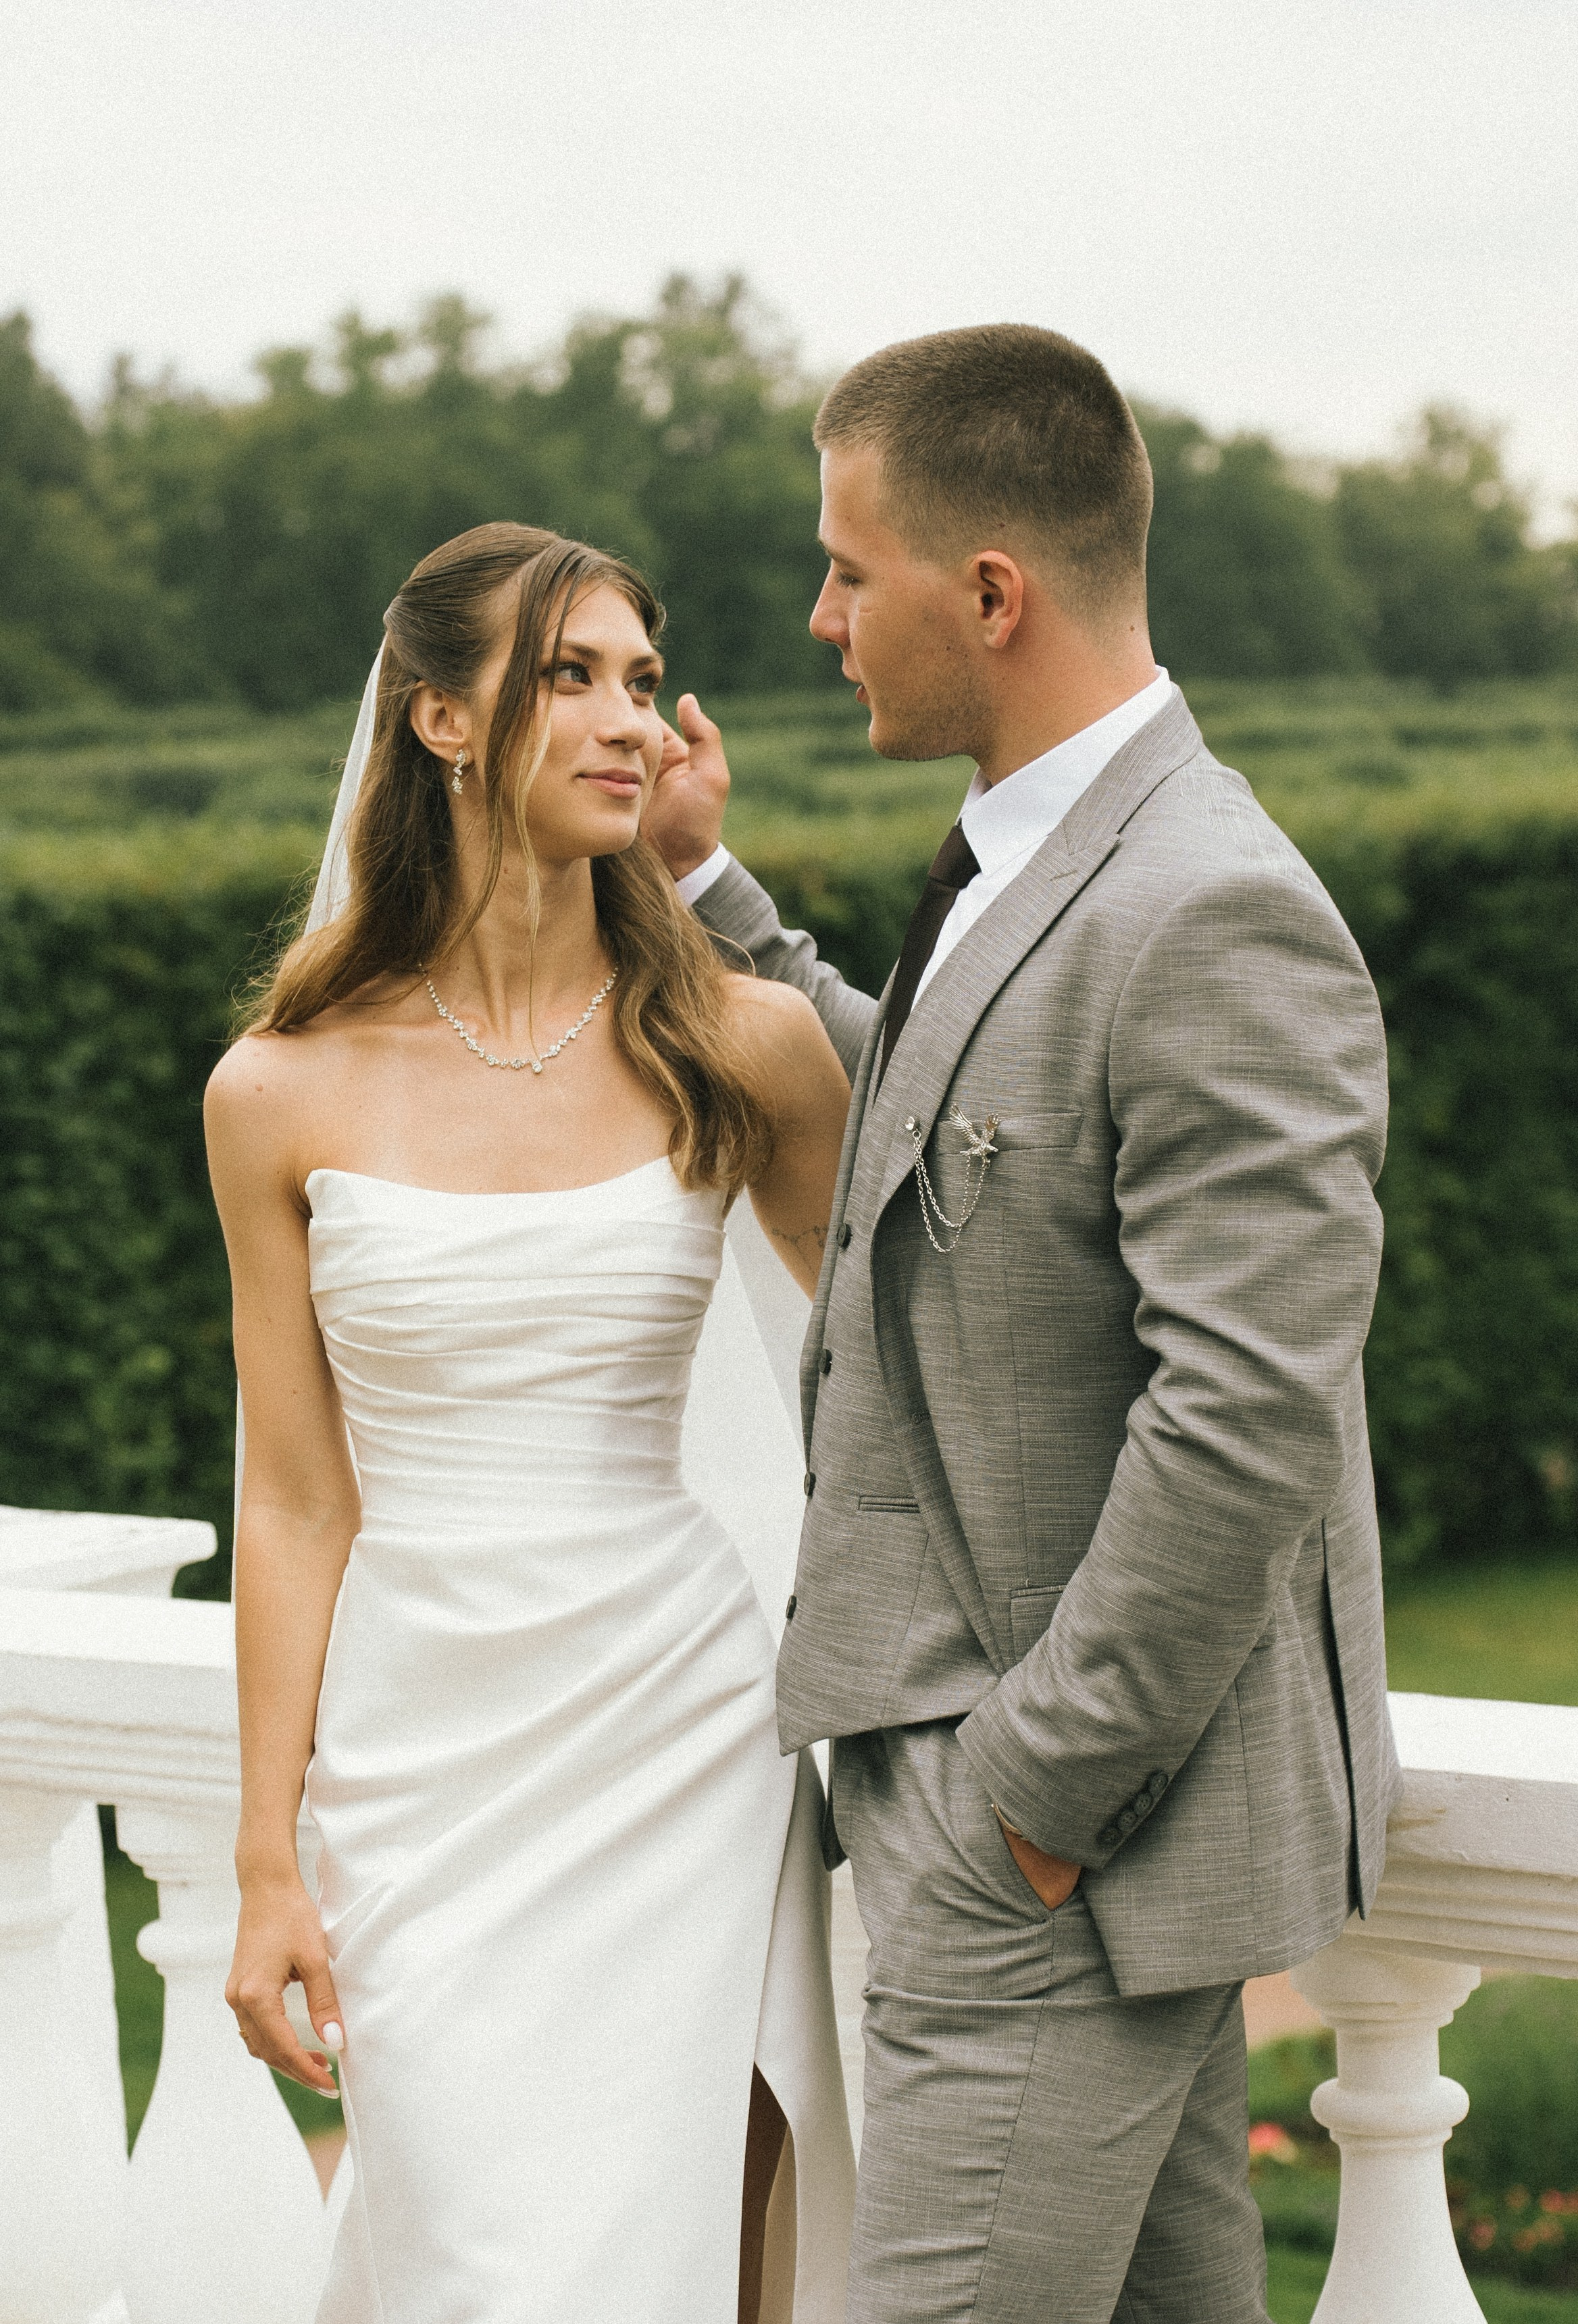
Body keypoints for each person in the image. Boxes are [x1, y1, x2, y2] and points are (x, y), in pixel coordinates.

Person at [644, 326, 1398, 2324]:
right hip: (1038, 1829)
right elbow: (960, 1131)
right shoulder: (1051, 851)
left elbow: (1247, 1417)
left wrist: (1032, 1804)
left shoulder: (1214, 905)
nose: (818, 618)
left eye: (846, 568)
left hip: (1062, 1844)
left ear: (989, 593)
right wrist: (717, 892)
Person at [207, 521, 856, 2324]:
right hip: (419, 1760)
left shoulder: (746, 1046)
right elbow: (291, 1500)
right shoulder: (277, 1090)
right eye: (571, 674)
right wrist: (269, 1859)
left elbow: (896, 1378)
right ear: (436, 720)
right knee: (475, 2255)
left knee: (663, 2253)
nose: (629, 718)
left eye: (643, 680)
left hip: (680, 1732)